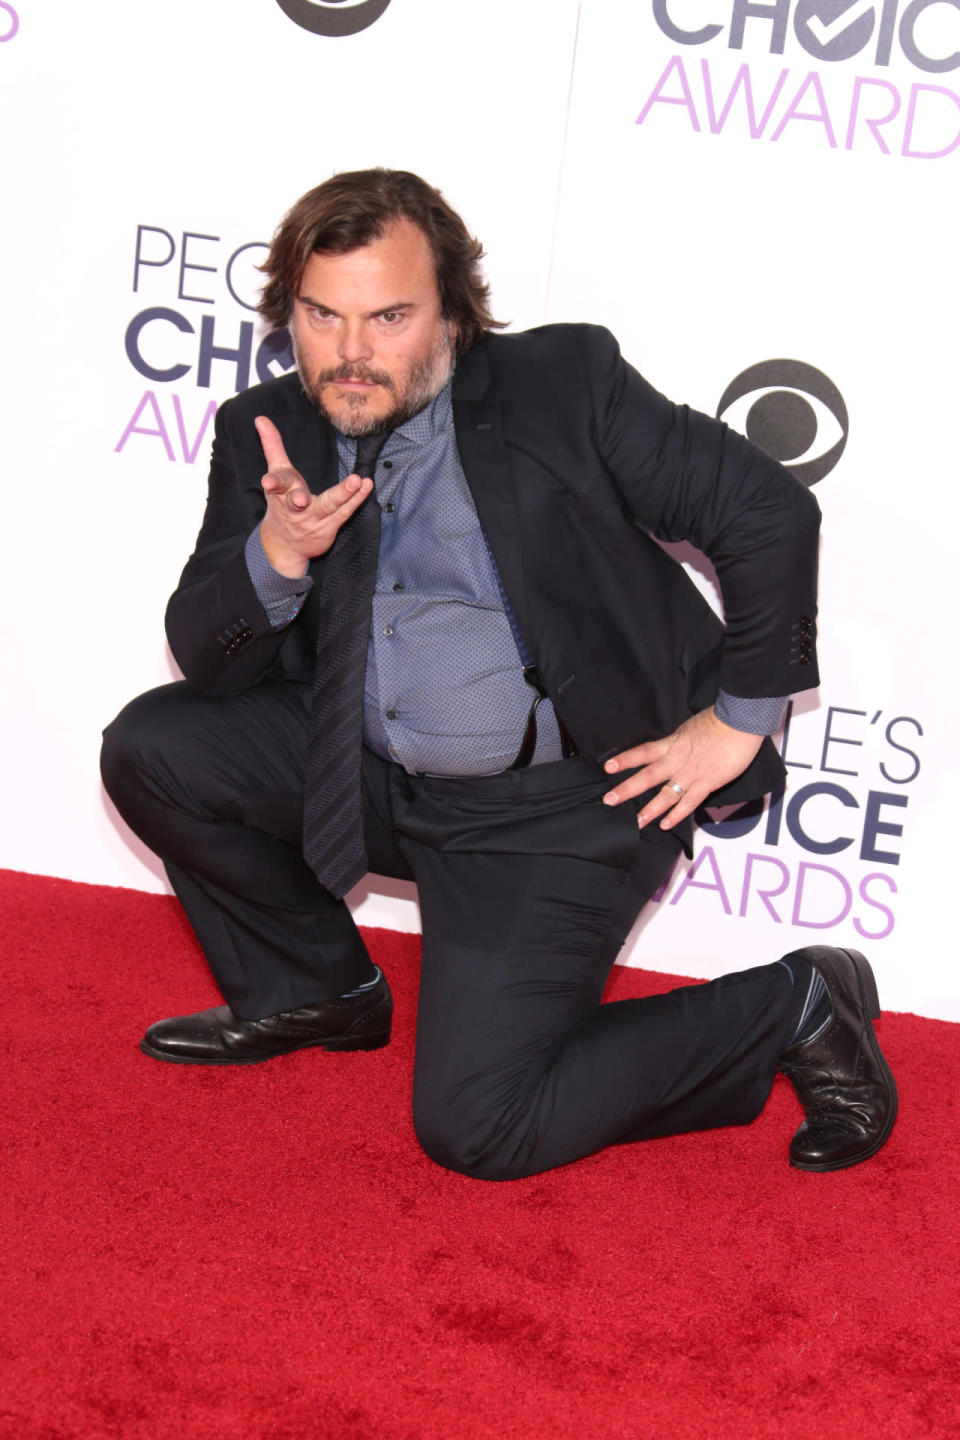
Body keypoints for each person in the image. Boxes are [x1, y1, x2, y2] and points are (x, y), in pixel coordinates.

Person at [101, 168, 896, 1181]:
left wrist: (738, 720)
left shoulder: (562, 385)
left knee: (481, 1127)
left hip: (553, 802)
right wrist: (279, 553)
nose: (351, 353)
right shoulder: (268, 427)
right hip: (372, 772)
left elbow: (768, 516)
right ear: (286, 312)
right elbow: (205, 651)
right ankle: (312, 989)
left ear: (451, 312)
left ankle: (797, 1002)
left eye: (388, 316)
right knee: (153, 747)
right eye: (321, 315)